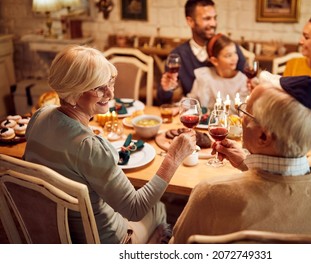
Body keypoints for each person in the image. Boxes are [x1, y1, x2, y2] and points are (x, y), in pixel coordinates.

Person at [23, 45, 197, 244]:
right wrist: (173, 158)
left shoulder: (39, 116)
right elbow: (135, 209)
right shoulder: (89, 147)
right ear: (74, 91)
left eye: (110, 83)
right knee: (157, 207)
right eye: (98, 87)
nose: (110, 94)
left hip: (53, 234)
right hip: (100, 242)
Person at [170, 75, 311, 244]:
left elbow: (177, 249)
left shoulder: (210, 194)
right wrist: (245, 164)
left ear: (263, 137)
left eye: (246, 112)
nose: (241, 118)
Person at [157, 0, 246, 104]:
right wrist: (167, 89)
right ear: (190, 21)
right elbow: (164, 101)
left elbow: (245, 85)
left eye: (215, 18)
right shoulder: (178, 55)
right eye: (207, 18)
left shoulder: (231, 50)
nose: (213, 23)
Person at [187, 33, 249, 110]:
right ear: (214, 61)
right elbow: (191, 101)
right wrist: (180, 107)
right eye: (228, 55)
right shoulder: (204, 76)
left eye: (235, 53)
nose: (235, 58)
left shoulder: (243, 81)